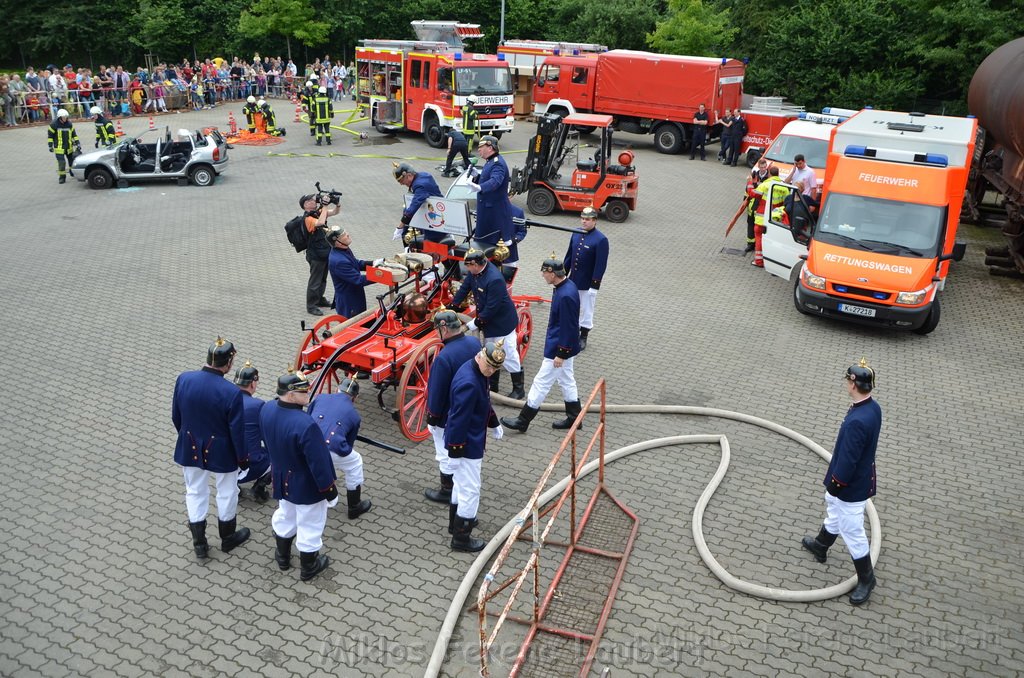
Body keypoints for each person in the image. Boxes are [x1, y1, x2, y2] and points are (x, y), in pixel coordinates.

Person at [801, 359, 882, 606]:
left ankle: (866, 578)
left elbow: (848, 459)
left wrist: (837, 483)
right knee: (834, 511)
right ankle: (821, 544)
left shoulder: (857, 420)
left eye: (848, 380)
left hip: (850, 484)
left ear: (854, 384)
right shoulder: (872, 407)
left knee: (852, 529)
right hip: (856, 478)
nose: (847, 383)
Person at [172, 338, 252, 560]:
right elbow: (237, 431)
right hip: (222, 451)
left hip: (189, 445)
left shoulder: (184, 379)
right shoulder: (231, 392)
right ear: (227, 362)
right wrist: (243, 458)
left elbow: (176, 417)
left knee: (195, 491)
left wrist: (188, 436)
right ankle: (228, 538)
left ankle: (199, 543)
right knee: (227, 492)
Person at [259, 370, 339, 581]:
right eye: (302, 391)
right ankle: (309, 566)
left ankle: (283, 556)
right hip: (306, 485)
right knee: (310, 523)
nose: (308, 393)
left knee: (286, 515)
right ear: (291, 394)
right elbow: (319, 463)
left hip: (281, 478)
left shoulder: (266, 408)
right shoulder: (305, 424)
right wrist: (329, 489)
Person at [501, 255, 581, 433]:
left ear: (553, 274)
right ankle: (575, 418)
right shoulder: (567, 287)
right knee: (567, 380)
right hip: (564, 347)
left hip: (559, 349)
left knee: (541, 382)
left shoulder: (565, 294)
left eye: (545, 273)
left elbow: (568, 326)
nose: (543, 276)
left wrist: (561, 353)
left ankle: (523, 420)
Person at [445, 342, 505, 552]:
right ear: (480, 356)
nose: (490, 371)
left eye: (494, 369)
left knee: (460, 486)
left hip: (466, 442)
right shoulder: (470, 383)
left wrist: (493, 421)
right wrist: (455, 451)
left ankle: (455, 525)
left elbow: (483, 401)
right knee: (471, 490)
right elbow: (458, 420)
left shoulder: (474, 370)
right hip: (467, 446)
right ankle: (462, 539)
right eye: (489, 366)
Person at [451, 248, 524, 399]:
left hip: (502, 324)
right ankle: (493, 386)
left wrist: (472, 324)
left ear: (477, 264)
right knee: (490, 353)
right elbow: (465, 288)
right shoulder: (475, 272)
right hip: (489, 323)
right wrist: (452, 307)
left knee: (509, 354)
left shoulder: (494, 278)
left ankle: (519, 389)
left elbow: (492, 308)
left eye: (468, 265)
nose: (467, 269)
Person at [424, 309, 481, 504]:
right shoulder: (474, 343)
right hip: (472, 411)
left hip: (447, 415)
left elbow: (437, 392)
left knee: (443, 453)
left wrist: (432, 417)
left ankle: (446, 490)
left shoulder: (443, 357)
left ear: (444, 329)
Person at [308, 377, 373, 520]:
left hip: (308, 444)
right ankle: (354, 506)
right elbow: (349, 444)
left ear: (337, 389)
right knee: (355, 462)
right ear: (354, 398)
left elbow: (307, 417)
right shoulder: (355, 416)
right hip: (332, 447)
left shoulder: (320, 397)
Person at [564, 206, 609, 351]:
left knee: (586, 310)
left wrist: (595, 285)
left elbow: (600, 264)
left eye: (587, 219)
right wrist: (563, 275)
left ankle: (583, 335)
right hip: (573, 280)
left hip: (587, 282)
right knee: (572, 307)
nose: (584, 222)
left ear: (595, 221)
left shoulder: (601, 239)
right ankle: (570, 332)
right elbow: (570, 255)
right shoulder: (576, 233)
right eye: (583, 218)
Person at [233, 360, 272, 502]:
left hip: (223, 462)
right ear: (253, 383)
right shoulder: (258, 405)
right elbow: (267, 435)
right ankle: (259, 487)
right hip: (249, 463)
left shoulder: (224, 400)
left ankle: (233, 489)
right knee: (277, 455)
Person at [466, 135, 514, 250]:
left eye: (481, 146)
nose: (478, 149)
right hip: (487, 212)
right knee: (482, 244)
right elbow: (487, 179)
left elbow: (495, 182)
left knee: (488, 246)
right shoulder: (490, 161)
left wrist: (479, 187)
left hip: (493, 215)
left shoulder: (497, 163)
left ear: (490, 147)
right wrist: (476, 176)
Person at [326, 227, 379, 318]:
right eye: (343, 235)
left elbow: (355, 263)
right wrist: (381, 274)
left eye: (345, 232)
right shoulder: (339, 261)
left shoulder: (344, 249)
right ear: (337, 242)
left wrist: (374, 263)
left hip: (355, 296)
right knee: (355, 325)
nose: (347, 234)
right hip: (349, 302)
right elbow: (359, 280)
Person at [300, 192, 338, 315]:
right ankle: (311, 306)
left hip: (324, 252)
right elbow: (321, 223)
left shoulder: (317, 213)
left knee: (322, 279)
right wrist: (325, 206)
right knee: (315, 281)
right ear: (306, 204)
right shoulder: (308, 219)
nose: (314, 200)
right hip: (315, 255)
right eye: (311, 200)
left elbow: (335, 212)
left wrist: (337, 204)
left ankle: (319, 299)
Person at [394, 162, 445, 243]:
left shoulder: (420, 185)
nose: (401, 184)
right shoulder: (423, 175)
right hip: (429, 220)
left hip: (435, 227)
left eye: (401, 180)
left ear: (409, 175)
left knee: (428, 249)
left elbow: (414, 205)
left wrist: (400, 227)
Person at [751, 166, 785, 267]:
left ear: (769, 174)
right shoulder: (784, 187)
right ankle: (771, 261)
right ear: (778, 174)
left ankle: (759, 261)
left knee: (759, 238)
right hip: (776, 219)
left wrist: (750, 183)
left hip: (762, 219)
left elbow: (753, 194)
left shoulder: (765, 185)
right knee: (773, 241)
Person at [744, 158, 771, 252]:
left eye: (765, 167)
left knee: (761, 226)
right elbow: (748, 188)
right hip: (753, 204)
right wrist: (745, 201)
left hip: (763, 205)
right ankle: (750, 244)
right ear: (758, 166)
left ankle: (760, 245)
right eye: (762, 167)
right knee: (750, 224)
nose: (763, 169)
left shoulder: (769, 177)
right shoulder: (754, 175)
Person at [47, 108, 80, 184]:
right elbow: (50, 136)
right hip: (59, 147)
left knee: (71, 161)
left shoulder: (69, 124)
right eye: (64, 117)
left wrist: (78, 143)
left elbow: (74, 135)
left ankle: (72, 173)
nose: (65, 118)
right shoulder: (53, 125)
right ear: (60, 117)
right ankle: (62, 177)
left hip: (69, 147)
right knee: (62, 163)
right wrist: (50, 146)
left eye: (66, 117)